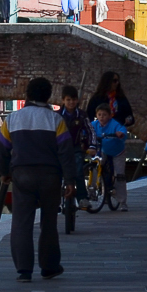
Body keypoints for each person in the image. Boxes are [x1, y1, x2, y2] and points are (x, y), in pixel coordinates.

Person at [0, 77, 74, 282]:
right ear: (48, 96)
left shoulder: (12, 119)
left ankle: (24, 270)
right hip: (50, 176)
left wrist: (4, 172)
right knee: (49, 223)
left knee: (21, 222)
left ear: (27, 94)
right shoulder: (55, 120)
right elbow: (66, 152)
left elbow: (0, 149)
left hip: (22, 175)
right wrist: (70, 180)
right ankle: (49, 267)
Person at [57, 85, 90, 231]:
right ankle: (55, 200)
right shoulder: (57, 116)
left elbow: (91, 131)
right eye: (68, 100)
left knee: (77, 169)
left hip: (76, 147)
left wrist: (92, 146)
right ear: (63, 100)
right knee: (56, 172)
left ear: (78, 100)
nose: (71, 103)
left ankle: (82, 197)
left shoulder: (82, 115)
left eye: (73, 100)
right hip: (59, 148)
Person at [90, 104, 130, 211]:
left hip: (117, 152)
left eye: (104, 115)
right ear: (96, 116)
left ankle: (122, 202)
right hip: (103, 150)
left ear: (109, 116)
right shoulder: (94, 124)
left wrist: (120, 133)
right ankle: (92, 189)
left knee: (120, 175)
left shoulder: (114, 124)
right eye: (99, 115)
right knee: (95, 165)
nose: (102, 117)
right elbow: (87, 129)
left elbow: (122, 129)